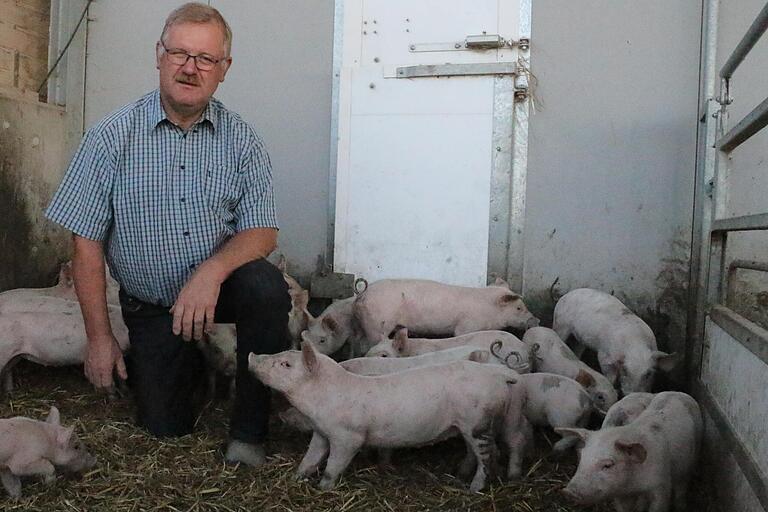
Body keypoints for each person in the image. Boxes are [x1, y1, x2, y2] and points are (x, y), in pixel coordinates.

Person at [45, 3, 290, 466]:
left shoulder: (242, 141)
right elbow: (85, 242)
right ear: (158, 54)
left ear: (224, 70)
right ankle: (185, 363)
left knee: (265, 287)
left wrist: (210, 272)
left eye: (205, 59)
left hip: (218, 291)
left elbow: (263, 232)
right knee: (165, 426)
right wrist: (99, 339)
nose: (190, 68)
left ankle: (250, 432)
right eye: (180, 53)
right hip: (153, 305)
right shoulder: (111, 136)